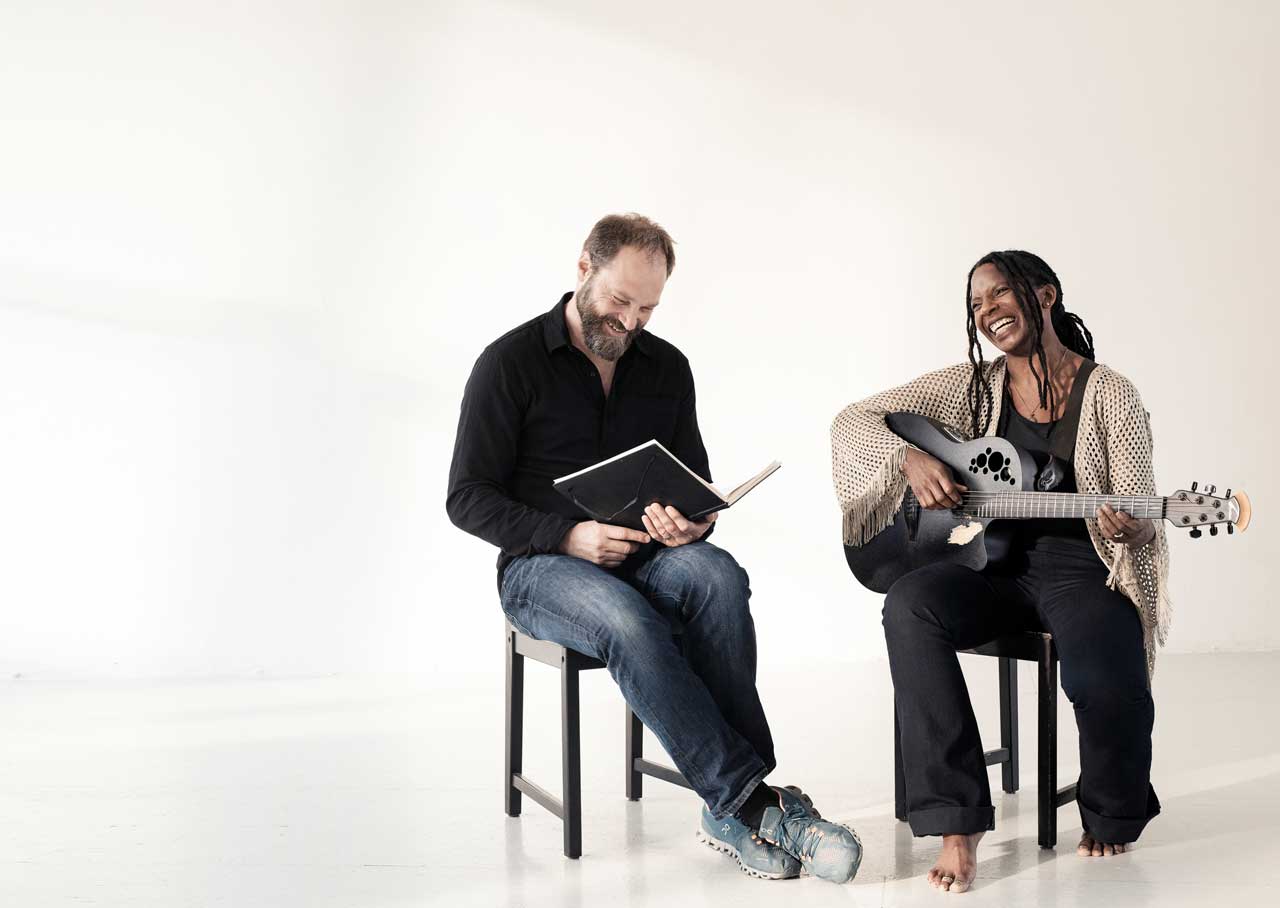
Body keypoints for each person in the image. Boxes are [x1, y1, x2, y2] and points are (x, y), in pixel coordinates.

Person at [447, 213, 861, 882]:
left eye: (648, 307)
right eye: (620, 301)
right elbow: (466, 496)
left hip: (648, 555)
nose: (633, 321)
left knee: (718, 576)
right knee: (625, 619)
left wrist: (694, 525)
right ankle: (752, 804)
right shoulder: (509, 362)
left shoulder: (667, 367)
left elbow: (694, 485)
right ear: (584, 268)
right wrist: (566, 535)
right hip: (540, 566)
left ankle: (734, 805)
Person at [831, 250, 1169, 893]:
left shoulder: (1111, 393)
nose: (986, 312)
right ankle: (957, 823)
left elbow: (1139, 505)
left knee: (1106, 665)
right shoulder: (971, 387)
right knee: (909, 604)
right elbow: (854, 421)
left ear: (1044, 295)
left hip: (1081, 565)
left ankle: (1113, 809)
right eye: (976, 305)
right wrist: (908, 459)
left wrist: (1140, 525)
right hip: (986, 564)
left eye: (998, 295)